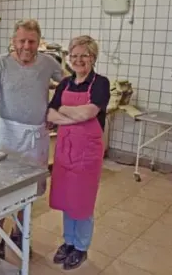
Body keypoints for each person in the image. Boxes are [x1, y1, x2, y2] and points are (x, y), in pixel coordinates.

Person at [0, 19, 65, 251]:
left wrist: (54, 109)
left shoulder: (48, 63)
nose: (26, 46)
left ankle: (20, 236)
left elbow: (68, 85)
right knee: (2, 190)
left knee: (29, 191)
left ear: (39, 43)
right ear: (13, 41)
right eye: (22, 41)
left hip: (36, 137)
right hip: (7, 135)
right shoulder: (0, 65)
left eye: (32, 41)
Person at [47, 35, 110, 270]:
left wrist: (63, 111)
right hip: (65, 151)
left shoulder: (100, 83)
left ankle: (81, 247)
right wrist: (71, 112)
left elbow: (89, 113)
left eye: (84, 55)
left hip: (87, 153)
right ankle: (68, 242)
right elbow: (50, 114)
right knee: (66, 198)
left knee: (82, 201)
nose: (78, 60)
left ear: (93, 57)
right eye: (73, 56)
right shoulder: (65, 83)